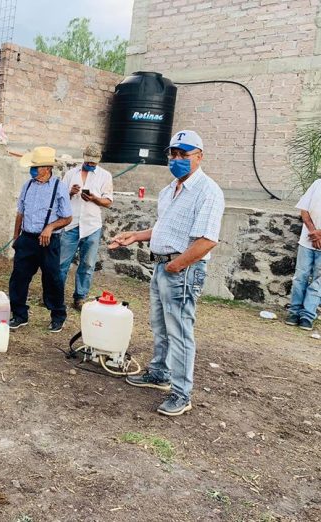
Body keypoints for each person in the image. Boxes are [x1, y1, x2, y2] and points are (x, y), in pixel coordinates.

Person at [109, 130, 225, 416]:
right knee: (160, 326)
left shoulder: (208, 192)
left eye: (183, 155)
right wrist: (136, 236)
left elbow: (207, 240)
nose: (176, 160)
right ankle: (159, 373)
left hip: (182, 270)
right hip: (163, 265)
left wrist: (176, 265)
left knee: (180, 331)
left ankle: (181, 394)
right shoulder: (169, 189)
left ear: (199, 157)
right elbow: (166, 229)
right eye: (173, 154)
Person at [8, 146, 72, 333]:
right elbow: (20, 213)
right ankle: (19, 314)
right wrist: (16, 237)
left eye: (36, 167)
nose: (33, 170)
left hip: (48, 242)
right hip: (26, 239)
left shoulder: (59, 187)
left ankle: (57, 316)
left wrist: (50, 227)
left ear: (47, 168)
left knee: (52, 278)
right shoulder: (27, 185)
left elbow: (67, 217)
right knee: (19, 277)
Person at [59, 144, 113, 310]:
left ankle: (80, 297)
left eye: (94, 163)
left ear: (98, 161)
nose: (91, 165)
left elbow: (108, 201)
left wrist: (94, 198)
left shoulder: (105, 176)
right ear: (84, 158)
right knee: (61, 264)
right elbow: (60, 198)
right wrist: (71, 192)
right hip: (71, 224)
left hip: (92, 225)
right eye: (88, 162)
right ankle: (54, 296)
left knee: (88, 265)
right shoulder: (70, 174)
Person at [285, 179, 321, 330]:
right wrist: (314, 232)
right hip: (307, 241)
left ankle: (307, 315)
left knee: (318, 281)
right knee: (300, 277)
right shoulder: (317, 184)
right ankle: (294, 312)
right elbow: (304, 210)